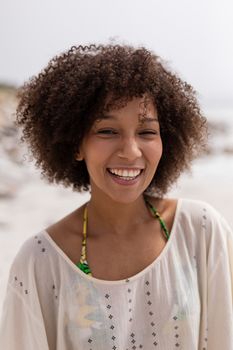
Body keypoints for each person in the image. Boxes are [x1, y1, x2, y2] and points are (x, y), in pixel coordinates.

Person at [0, 44, 232, 350]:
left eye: (147, 132)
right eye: (108, 131)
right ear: (75, 144)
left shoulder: (202, 232)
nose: (131, 151)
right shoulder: (39, 263)